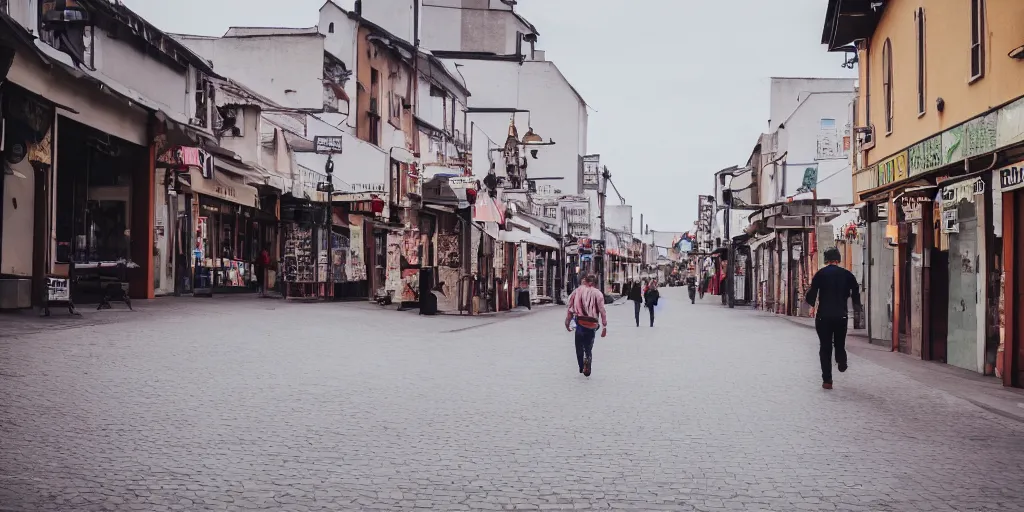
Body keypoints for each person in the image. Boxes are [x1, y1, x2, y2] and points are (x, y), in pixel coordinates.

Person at [805, 247, 862, 390]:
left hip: (823, 316)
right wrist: (857, 308)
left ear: (826, 260)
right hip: (841, 316)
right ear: (838, 259)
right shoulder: (847, 274)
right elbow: (855, 291)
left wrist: (811, 301)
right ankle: (841, 361)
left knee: (825, 347)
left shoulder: (820, 274)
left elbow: (812, 295)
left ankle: (827, 380)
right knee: (839, 343)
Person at [565, 274, 608, 377]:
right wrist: (604, 326)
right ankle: (587, 357)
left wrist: (567, 322)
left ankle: (581, 366)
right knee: (588, 346)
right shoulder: (598, 293)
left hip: (580, 322)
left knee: (578, 346)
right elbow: (602, 311)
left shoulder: (577, 291)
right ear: (594, 283)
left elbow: (570, 309)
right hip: (592, 323)